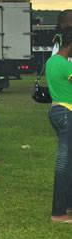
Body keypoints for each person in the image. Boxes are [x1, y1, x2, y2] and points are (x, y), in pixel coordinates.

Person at [46, 26, 72, 222]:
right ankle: (58, 212)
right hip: (67, 112)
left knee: (69, 161)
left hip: (56, 110)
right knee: (63, 163)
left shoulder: (51, 62)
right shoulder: (65, 65)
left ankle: (68, 206)